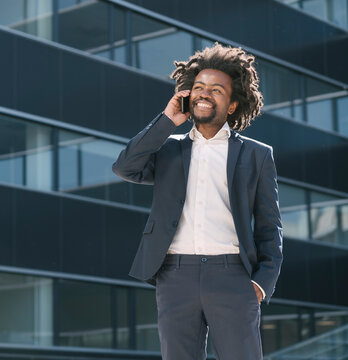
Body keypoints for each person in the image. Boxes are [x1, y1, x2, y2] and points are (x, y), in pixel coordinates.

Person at [112, 43, 283, 360]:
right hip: (175, 275)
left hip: (233, 275)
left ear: (232, 105)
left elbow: (270, 227)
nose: (205, 93)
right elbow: (125, 167)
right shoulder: (167, 150)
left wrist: (261, 283)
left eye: (217, 90)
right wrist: (166, 120)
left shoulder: (257, 155)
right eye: (199, 87)